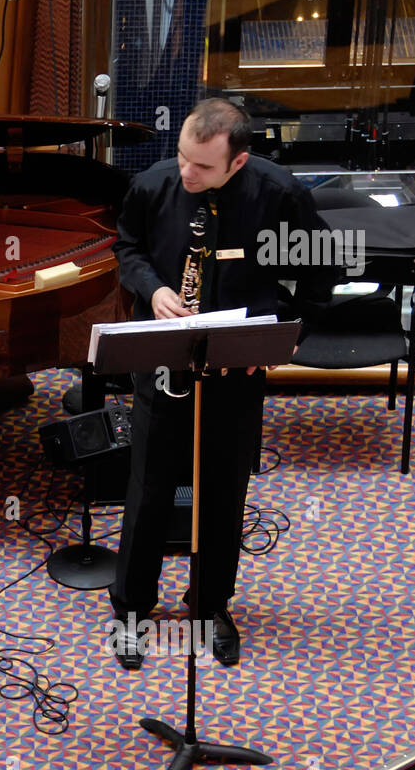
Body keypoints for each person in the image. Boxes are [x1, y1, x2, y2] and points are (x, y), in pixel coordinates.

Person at [108, 98, 335, 669]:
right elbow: (127, 248)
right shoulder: (154, 185)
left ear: (238, 162)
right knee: (149, 489)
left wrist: (283, 337)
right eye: (183, 157)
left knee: (223, 491)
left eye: (203, 167)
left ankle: (210, 606)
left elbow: (323, 270)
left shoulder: (278, 193)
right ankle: (132, 609)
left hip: (237, 367)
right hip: (164, 361)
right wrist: (153, 287)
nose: (188, 173)